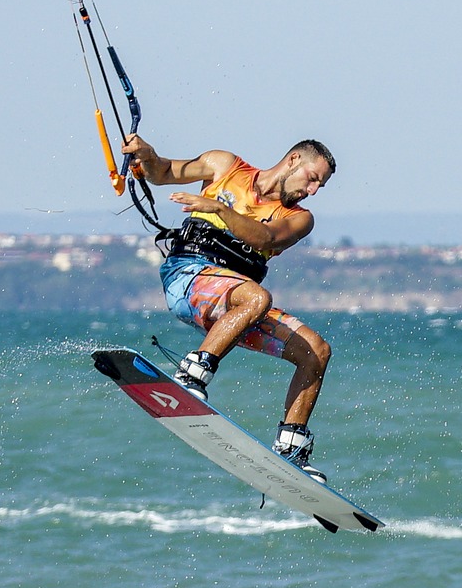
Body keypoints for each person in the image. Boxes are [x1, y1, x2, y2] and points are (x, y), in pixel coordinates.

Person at [121, 135, 337, 484]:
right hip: (188, 277)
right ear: (294, 159)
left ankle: (291, 450)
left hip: (237, 304)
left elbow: (265, 239)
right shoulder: (225, 166)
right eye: (312, 178)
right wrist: (146, 156)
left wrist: (220, 210)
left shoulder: (300, 219)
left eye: (320, 186)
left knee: (316, 351)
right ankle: (190, 377)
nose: (312, 191)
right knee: (256, 298)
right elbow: (161, 172)